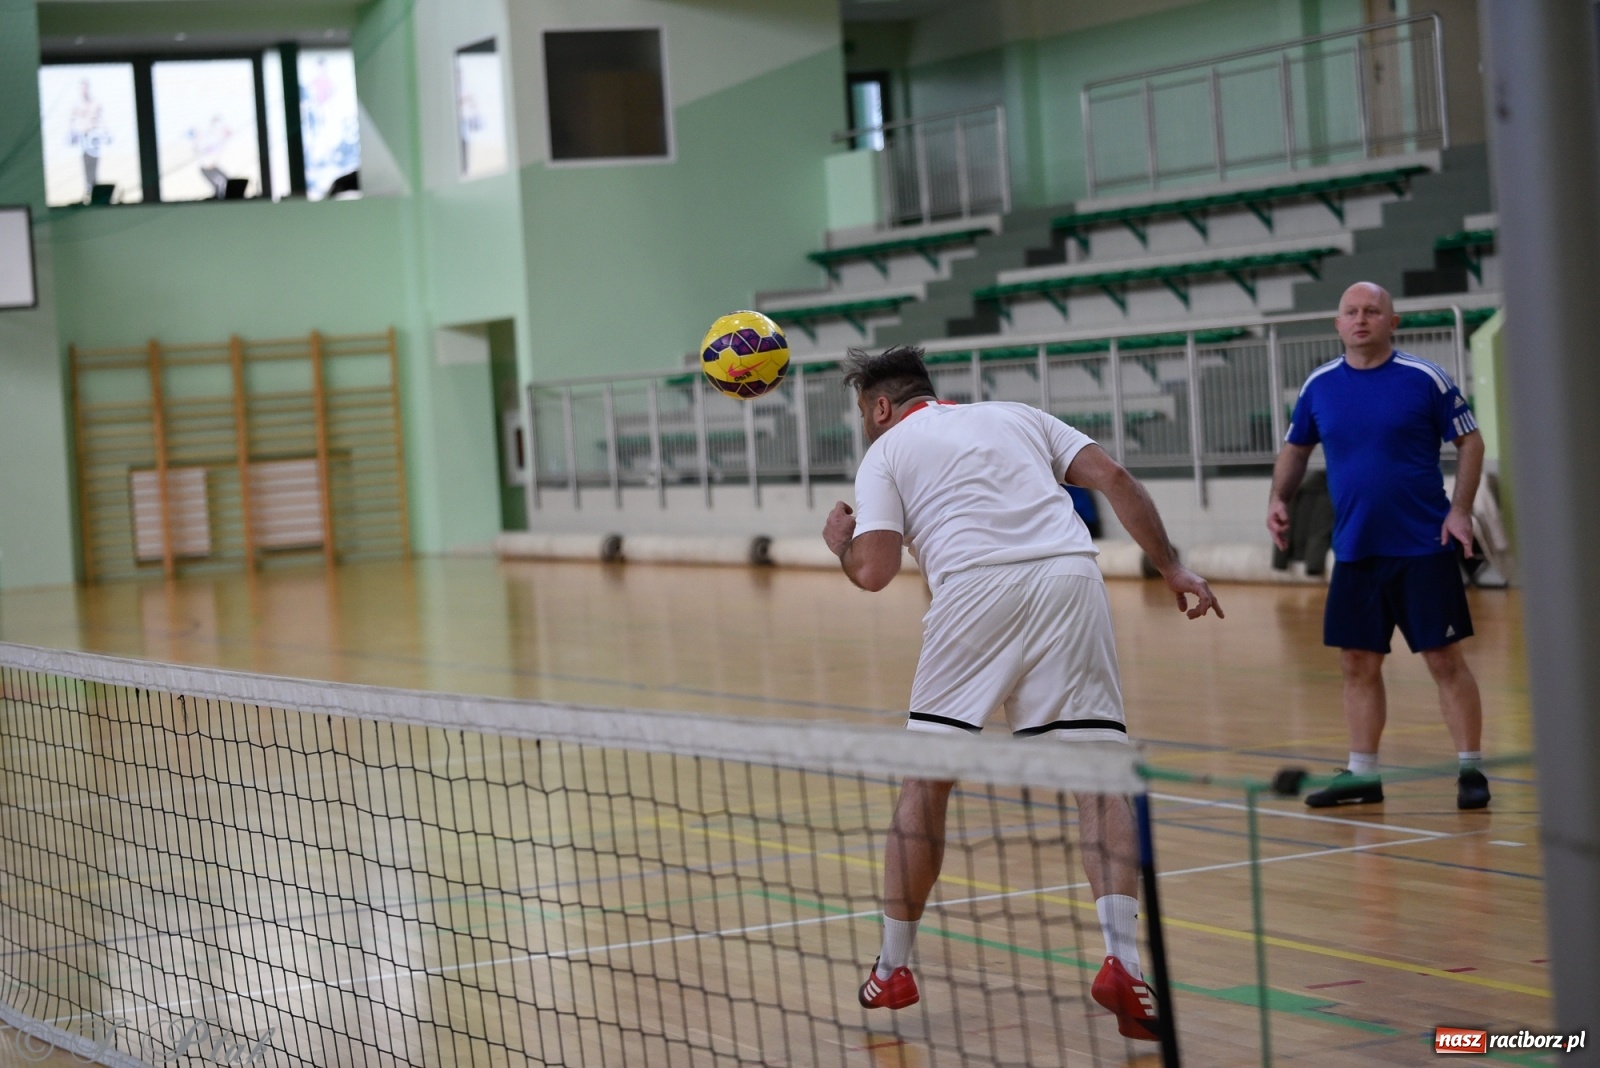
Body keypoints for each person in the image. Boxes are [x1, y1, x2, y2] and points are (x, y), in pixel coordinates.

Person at [822, 345, 1222, 1041]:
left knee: (927, 784)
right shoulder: (1019, 415)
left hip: (976, 592)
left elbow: (877, 570)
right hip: (1071, 578)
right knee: (1099, 781)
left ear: (880, 407)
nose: (866, 424)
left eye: (864, 413)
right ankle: (1123, 962)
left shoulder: (885, 453)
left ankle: (893, 968)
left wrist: (840, 544)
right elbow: (1115, 477)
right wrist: (1172, 566)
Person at [1267, 281, 1491, 811]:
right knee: (1357, 663)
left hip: (1422, 546)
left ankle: (1471, 770)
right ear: (1338, 324)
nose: (1361, 318)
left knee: (1443, 659)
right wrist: (1278, 498)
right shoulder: (1319, 385)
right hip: (1356, 551)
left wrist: (1459, 510)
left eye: (1373, 310)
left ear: (1393, 322)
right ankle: (1362, 775)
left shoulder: (1425, 379)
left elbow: (1471, 441)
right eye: (1351, 311)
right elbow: (1296, 448)